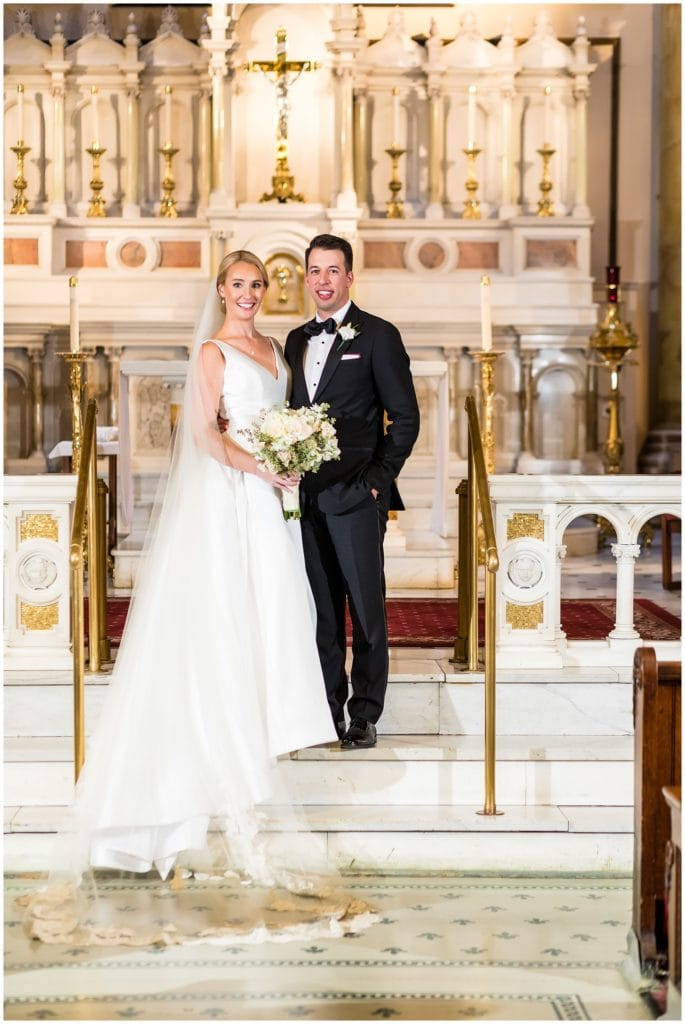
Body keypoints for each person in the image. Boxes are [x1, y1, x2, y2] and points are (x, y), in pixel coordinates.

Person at [24, 251, 375, 946]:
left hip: (274, 503)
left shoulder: (277, 348)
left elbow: (288, 416)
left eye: (256, 285)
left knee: (275, 611)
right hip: (232, 499)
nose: (247, 294)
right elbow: (204, 436)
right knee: (224, 615)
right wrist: (267, 464)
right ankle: (215, 755)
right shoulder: (214, 351)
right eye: (237, 285)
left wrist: (291, 458)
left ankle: (268, 720)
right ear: (220, 291)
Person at [285, 234, 420, 750]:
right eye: (315, 271)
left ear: (349, 277)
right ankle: (326, 709)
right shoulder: (295, 340)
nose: (323, 280)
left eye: (332, 271)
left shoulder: (379, 335)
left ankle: (364, 713)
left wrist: (375, 485)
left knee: (366, 611)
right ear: (307, 278)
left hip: (357, 498)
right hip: (305, 502)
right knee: (320, 613)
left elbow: (404, 420)